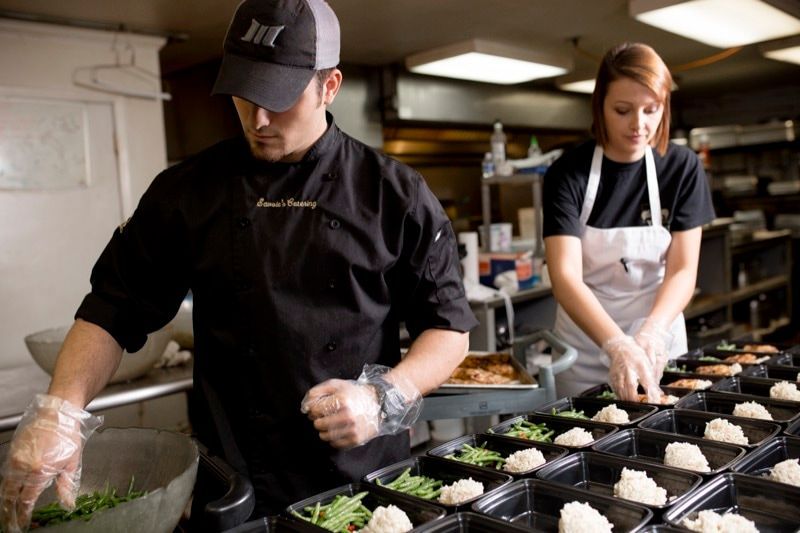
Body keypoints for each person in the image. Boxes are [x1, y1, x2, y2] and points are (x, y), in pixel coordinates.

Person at [0, 0, 477, 529]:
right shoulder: (186, 192)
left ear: (330, 85)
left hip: (362, 482)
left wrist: (382, 396)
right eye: (245, 95)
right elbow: (114, 307)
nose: (259, 119)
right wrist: (60, 411)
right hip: (231, 481)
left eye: (277, 97)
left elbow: (449, 328)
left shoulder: (395, 194)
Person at [543, 42, 714, 401]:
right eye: (622, 110)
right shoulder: (567, 173)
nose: (639, 125)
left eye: (651, 110)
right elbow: (565, 276)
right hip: (585, 352)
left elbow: (683, 270)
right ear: (600, 107)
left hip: (659, 344)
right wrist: (616, 343)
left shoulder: (682, 168)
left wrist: (651, 332)